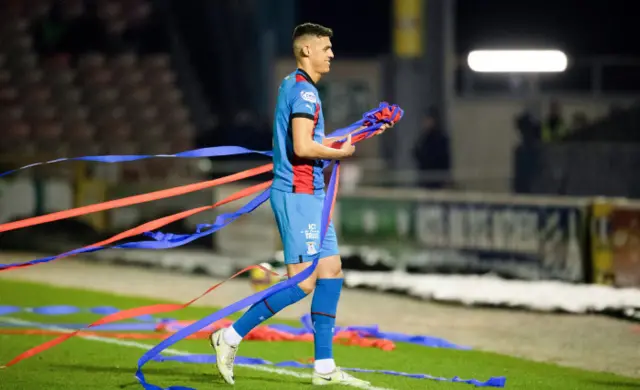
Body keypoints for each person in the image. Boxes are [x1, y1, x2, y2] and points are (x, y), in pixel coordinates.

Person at [209, 22, 390, 386]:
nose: (332, 53)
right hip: (298, 194)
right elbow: (305, 148)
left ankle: (323, 368)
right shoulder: (305, 94)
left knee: (331, 271)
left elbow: (310, 141)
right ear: (306, 50)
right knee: (304, 282)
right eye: (326, 47)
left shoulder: (294, 85)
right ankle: (229, 335)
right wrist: (341, 150)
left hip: (310, 195)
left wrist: (361, 132)